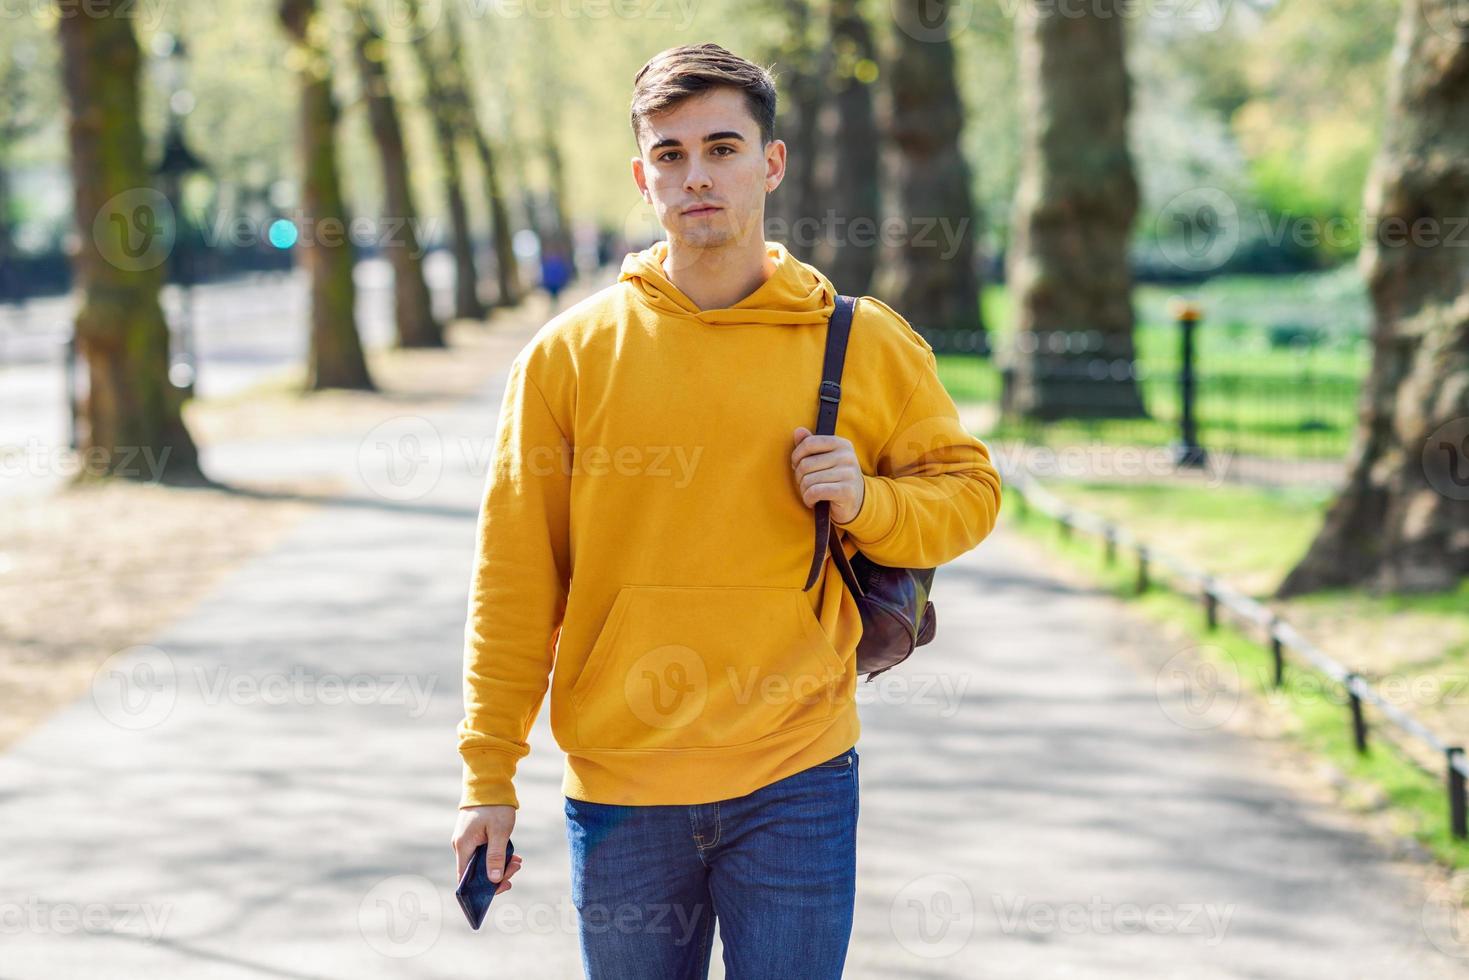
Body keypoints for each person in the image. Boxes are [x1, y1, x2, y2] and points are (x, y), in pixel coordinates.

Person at [450, 42, 1002, 979]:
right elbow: (514, 575)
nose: (696, 175)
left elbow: (970, 495)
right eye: (670, 154)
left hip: (797, 774)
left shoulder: (858, 341)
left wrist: (866, 501)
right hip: (621, 785)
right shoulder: (567, 356)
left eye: (721, 147)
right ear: (641, 174)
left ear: (771, 161)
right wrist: (487, 778)